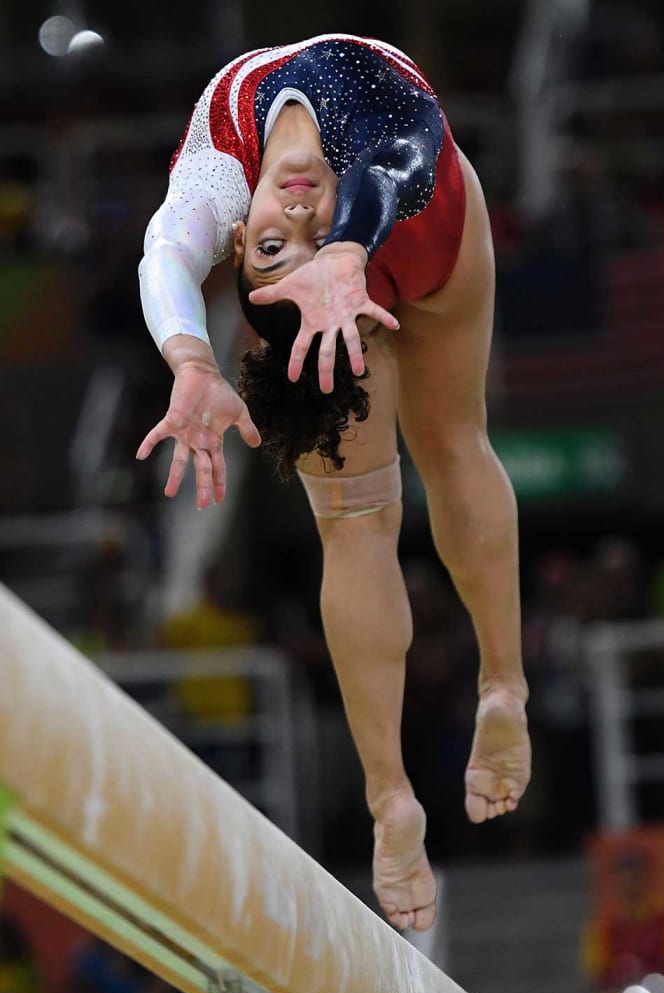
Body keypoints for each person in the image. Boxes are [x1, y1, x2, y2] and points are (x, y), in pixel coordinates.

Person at [136, 32, 531, 932]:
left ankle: (502, 686)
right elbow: (400, 152)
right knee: (361, 512)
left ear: (238, 241)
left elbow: (168, 250)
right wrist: (322, 261)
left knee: (451, 443)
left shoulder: (221, 167)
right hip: (415, 230)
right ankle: (390, 796)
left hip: (411, 207)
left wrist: (194, 351)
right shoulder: (284, 215)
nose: (302, 215)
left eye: (278, 244)